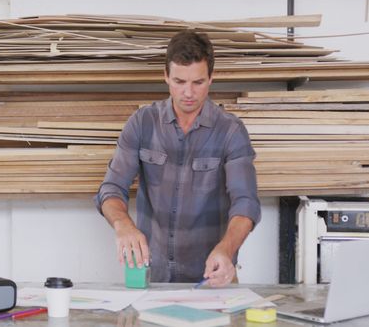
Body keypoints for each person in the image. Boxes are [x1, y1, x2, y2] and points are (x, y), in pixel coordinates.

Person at [94, 30, 260, 286]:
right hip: (153, 277)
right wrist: (123, 225)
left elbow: (246, 202)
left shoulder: (231, 131)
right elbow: (111, 189)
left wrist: (226, 249)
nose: (189, 93)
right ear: (166, 77)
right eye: (180, 82)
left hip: (212, 276)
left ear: (211, 78)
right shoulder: (141, 123)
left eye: (198, 82)